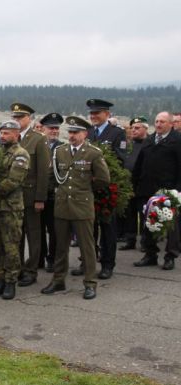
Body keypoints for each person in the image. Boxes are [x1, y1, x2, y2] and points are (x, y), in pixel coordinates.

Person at [42, 116, 110, 300]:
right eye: (70, 132)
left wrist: (85, 190)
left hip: (82, 206)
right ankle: (58, 280)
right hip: (62, 206)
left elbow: (104, 179)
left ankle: (90, 284)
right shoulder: (60, 151)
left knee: (87, 248)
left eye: (75, 132)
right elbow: (52, 175)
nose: (71, 136)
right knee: (60, 247)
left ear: (85, 134)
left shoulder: (93, 153)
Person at [0, 121, 30, 300]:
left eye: (7, 133)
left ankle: (11, 281)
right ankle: (0, 277)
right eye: (1, 133)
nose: (2, 136)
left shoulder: (21, 154)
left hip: (10, 208)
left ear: (16, 135)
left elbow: (13, 181)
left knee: (11, 246)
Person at [133, 112, 181, 270]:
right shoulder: (150, 140)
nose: (159, 124)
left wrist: (177, 191)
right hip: (147, 189)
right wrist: (135, 184)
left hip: (168, 191)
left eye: (162, 122)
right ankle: (150, 254)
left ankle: (170, 256)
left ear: (171, 124)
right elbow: (139, 164)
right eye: (157, 121)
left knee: (170, 225)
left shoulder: (177, 140)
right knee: (149, 224)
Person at [85, 98, 127, 279]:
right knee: (89, 228)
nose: (93, 116)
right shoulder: (88, 132)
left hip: (107, 188)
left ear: (107, 114)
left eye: (97, 113)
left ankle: (108, 264)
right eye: (92, 113)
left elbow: (121, 159)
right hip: (88, 187)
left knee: (108, 227)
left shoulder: (117, 133)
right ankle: (88, 262)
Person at [11, 103, 50, 288]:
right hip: (13, 197)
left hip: (30, 195)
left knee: (33, 235)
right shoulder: (11, 138)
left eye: (20, 117)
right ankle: (17, 268)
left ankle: (31, 270)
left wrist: (40, 198)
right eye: (15, 118)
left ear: (29, 119)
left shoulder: (38, 140)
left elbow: (43, 172)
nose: (17, 121)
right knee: (16, 235)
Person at [39, 113, 65, 273]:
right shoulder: (37, 145)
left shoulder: (63, 148)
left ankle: (52, 258)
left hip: (54, 196)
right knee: (37, 229)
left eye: (56, 128)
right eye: (51, 128)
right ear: (43, 129)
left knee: (54, 229)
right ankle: (39, 257)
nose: (54, 131)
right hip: (38, 195)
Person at [120, 117, 150, 251]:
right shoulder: (129, 144)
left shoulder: (150, 144)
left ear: (145, 129)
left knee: (144, 215)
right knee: (130, 215)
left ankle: (146, 242)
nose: (133, 130)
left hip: (143, 186)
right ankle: (130, 239)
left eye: (137, 128)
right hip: (129, 185)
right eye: (132, 128)